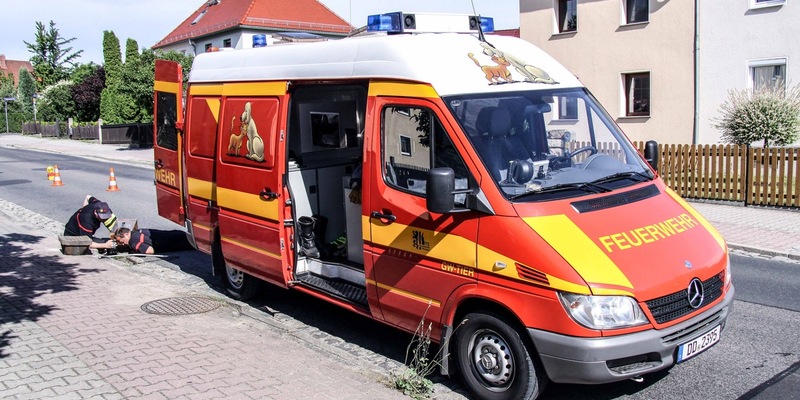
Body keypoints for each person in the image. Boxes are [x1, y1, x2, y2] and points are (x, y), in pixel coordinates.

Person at [114, 227, 193, 254]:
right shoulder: (138, 231)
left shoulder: (133, 241)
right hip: (178, 234)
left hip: (180, 243)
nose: (123, 244)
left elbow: (149, 251)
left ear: (126, 234)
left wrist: (135, 251)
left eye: (122, 241)